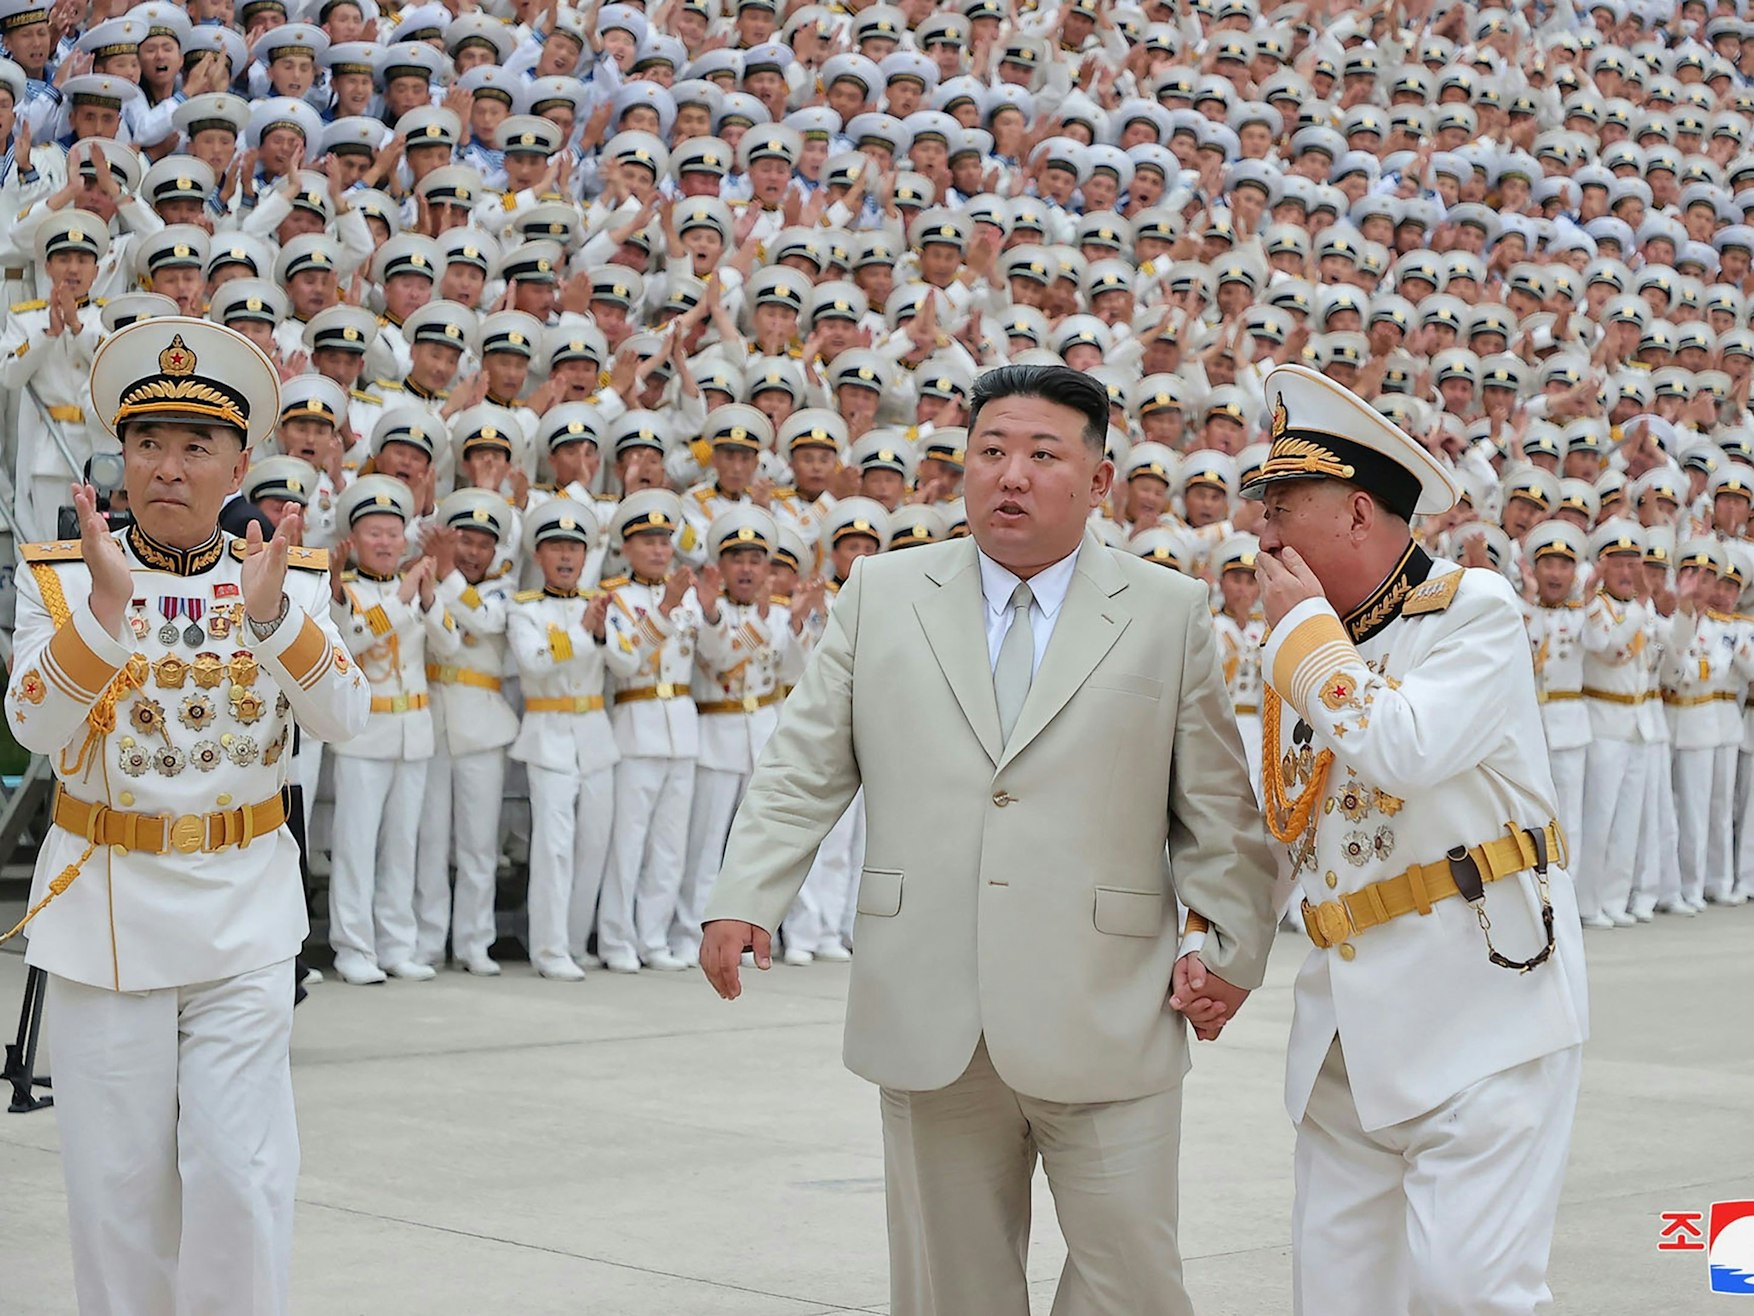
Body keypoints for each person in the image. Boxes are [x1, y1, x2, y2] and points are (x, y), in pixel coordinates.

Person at [699, 363, 1279, 1316]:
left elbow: (1216, 810)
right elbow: (802, 765)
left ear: (1098, 481)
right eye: (991, 451)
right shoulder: (880, 594)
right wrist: (745, 895)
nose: (1011, 475)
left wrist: (1230, 950)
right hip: (933, 1006)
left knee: (1133, 1281)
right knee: (949, 1290)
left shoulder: (1166, 613)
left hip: (1110, 1006)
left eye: (1043, 455)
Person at [2, 316, 368, 1315]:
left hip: (243, 909)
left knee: (244, 1179)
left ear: (238, 461)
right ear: (122, 456)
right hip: (107, 912)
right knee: (117, 1195)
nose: (168, 467)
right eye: (148, 445)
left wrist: (272, 619)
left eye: (195, 446)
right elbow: (31, 726)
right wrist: (105, 615)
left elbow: (345, 714)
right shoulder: (65, 571)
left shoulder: (283, 578)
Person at [1235, 363, 1588, 1315]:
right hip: (1347, 1031)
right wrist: (1216, 950)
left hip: (1480, 1007)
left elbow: (1404, 747)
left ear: (1356, 515)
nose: (1259, 533)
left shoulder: (1471, 612)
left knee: (1469, 1294)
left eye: (1281, 508)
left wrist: (1302, 635)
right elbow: (1284, 825)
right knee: (1336, 1297)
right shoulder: (1303, 645)